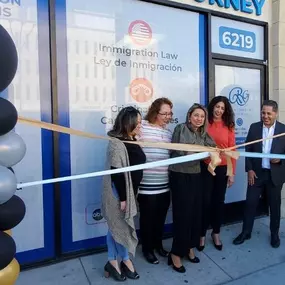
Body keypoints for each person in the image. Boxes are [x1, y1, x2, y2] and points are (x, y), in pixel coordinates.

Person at [168, 103, 216, 273]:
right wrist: (192, 152)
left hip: (195, 175)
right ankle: (175, 253)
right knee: (183, 215)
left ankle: (189, 247)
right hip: (180, 176)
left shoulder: (202, 133)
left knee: (196, 213)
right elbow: (176, 151)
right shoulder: (180, 129)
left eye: (202, 117)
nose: (199, 119)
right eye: (196, 115)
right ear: (189, 116)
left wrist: (214, 151)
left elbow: (213, 147)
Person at [102, 106, 146, 281]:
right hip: (119, 193)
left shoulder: (131, 139)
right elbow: (117, 173)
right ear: (129, 123)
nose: (140, 126)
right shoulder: (116, 143)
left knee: (117, 227)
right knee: (117, 227)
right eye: (138, 123)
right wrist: (123, 198)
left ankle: (113, 261)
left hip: (129, 192)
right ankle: (123, 261)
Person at [233, 100, 285, 248]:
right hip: (256, 174)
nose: (265, 116)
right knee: (250, 203)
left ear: (276, 113)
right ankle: (246, 232)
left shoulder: (283, 129)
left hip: (275, 176)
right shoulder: (254, 128)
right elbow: (248, 150)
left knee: (274, 206)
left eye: (269, 113)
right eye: (263, 113)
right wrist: (249, 169)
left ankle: (274, 234)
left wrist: (280, 161)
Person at [137, 97, 173, 264]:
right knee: (147, 220)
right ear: (154, 112)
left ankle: (158, 245)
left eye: (170, 113)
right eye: (164, 113)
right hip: (146, 186)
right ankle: (147, 249)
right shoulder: (142, 127)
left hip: (164, 185)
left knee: (160, 219)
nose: (168, 116)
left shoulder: (168, 132)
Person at [198, 96, 236, 252]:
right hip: (206, 167)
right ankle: (201, 235)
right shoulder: (205, 123)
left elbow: (232, 149)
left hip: (222, 168)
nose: (219, 110)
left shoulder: (229, 125)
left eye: (222, 108)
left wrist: (232, 173)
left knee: (218, 202)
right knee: (204, 202)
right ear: (212, 107)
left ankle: (216, 233)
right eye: (217, 107)